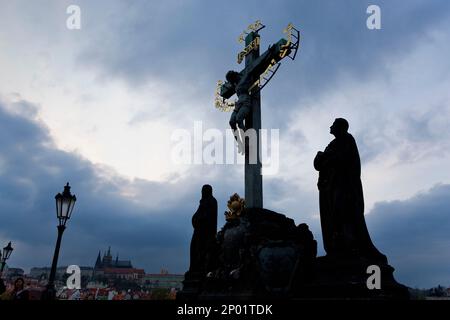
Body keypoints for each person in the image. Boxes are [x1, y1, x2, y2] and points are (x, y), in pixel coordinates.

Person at [314, 118, 385, 261]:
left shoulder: (346, 140)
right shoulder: (333, 144)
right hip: (330, 187)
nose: (330, 126)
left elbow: (341, 160)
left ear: (340, 127)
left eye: (333, 124)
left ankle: (350, 247)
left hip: (344, 187)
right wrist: (320, 157)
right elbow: (319, 165)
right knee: (333, 217)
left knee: (344, 215)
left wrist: (325, 157)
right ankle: (338, 248)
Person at [189, 184, 218, 276]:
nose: (202, 193)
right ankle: (194, 268)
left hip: (205, 233)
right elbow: (199, 213)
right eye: (202, 191)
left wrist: (199, 219)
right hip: (198, 231)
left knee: (200, 249)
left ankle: (199, 269)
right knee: (194, 248)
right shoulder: (203, 202)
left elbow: (209, 217)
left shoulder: (211, 201)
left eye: (204, 191)